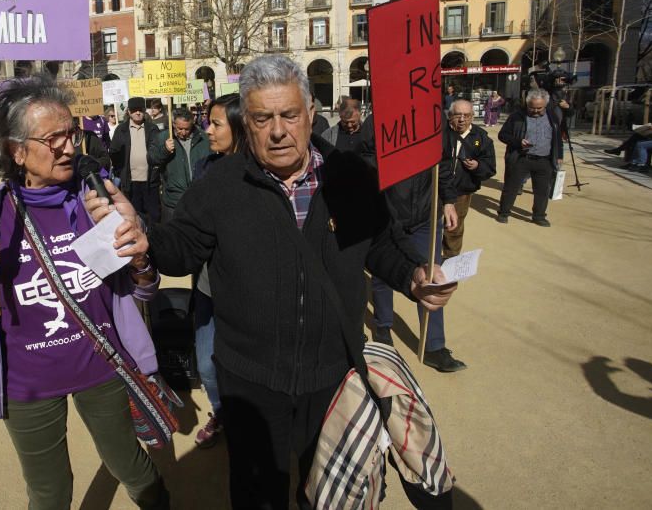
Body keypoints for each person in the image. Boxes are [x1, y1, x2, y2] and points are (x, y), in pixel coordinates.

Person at [101, 56, 456, 509]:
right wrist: (144, 235)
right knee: (258, 498)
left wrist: (413, 275)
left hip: (332, 376)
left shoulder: (350, 176)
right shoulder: (220, 185)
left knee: (328, 495)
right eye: (262, 118)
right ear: (247, 122)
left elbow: (380, 244)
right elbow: (181, 246)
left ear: (310, 113)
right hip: (251, 384)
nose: (277, 130)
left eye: (289, 115)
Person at [0, 76, 169, 510]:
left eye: (72, 133)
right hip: (27, 383)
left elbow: (143, 292)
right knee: (49, 493)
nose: (70, 147)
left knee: (133, 467)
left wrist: (141, 256)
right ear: (17, 150)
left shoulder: (96, 197)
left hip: (101, 365)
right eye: (54, 139)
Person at [360, 122, 466, 372]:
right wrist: (392, 160)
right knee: (383, 274)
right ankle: (383, 327)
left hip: (425, 216)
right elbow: (363, 160)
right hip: (389, 211)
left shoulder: (433, 119)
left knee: (431, 275)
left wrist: (449, 201)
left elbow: (443, 167)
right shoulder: (376, 121)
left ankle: (434, 346)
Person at [189, 93, 247, 449]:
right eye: (207, 122)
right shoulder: (205, 168)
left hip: (246, 292)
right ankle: (221, 413)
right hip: (208, 288)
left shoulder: (263, 173)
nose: (207, 130)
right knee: (207, 365)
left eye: (216, 123)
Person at [496, 88, 563, 227]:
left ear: (546, 104)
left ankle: (538, 216)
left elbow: (558, 137)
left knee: (542, 191)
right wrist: (518, 141)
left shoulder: (552, 116)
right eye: (532, 107)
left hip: (544, 160)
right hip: (521, 158)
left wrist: (559, 155)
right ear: (527, 104)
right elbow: (502, 135)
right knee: (511, 187)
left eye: (540, 108)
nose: (536, 111)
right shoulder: (517, 116)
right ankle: (504, 213)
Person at [442, 99, 497, 258]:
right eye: (457, 115)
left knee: (453, 227)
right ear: (450, 115)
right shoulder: (441, 132)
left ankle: (450, 259)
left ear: (472, 116)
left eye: (466, 115)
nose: (462, 119)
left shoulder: (481, 137)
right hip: (436, 189)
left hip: (461, 191)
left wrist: (477, 166)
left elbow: (490, 167)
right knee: (430, 226)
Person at [148, 108, 211, 222]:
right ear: (173, 124)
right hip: (174, 200)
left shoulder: (203, 137)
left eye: (187, 129)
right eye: (180, 128)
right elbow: (152, 159)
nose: (183, 132)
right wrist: (164, 150)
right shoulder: (163, 137)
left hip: (198, 198)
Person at [109, 96, 162, 225]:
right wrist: (120, 172)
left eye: (140, 110)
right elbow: (114, 153)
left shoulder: (152, 129)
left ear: (144, 110)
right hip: (130, 182)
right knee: (134, 215)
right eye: (134, 110)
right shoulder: (121, 130)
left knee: (154, 216)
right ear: (129, 112)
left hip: (150, 181)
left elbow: (159, 151)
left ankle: (154, 241)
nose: (137, 113)